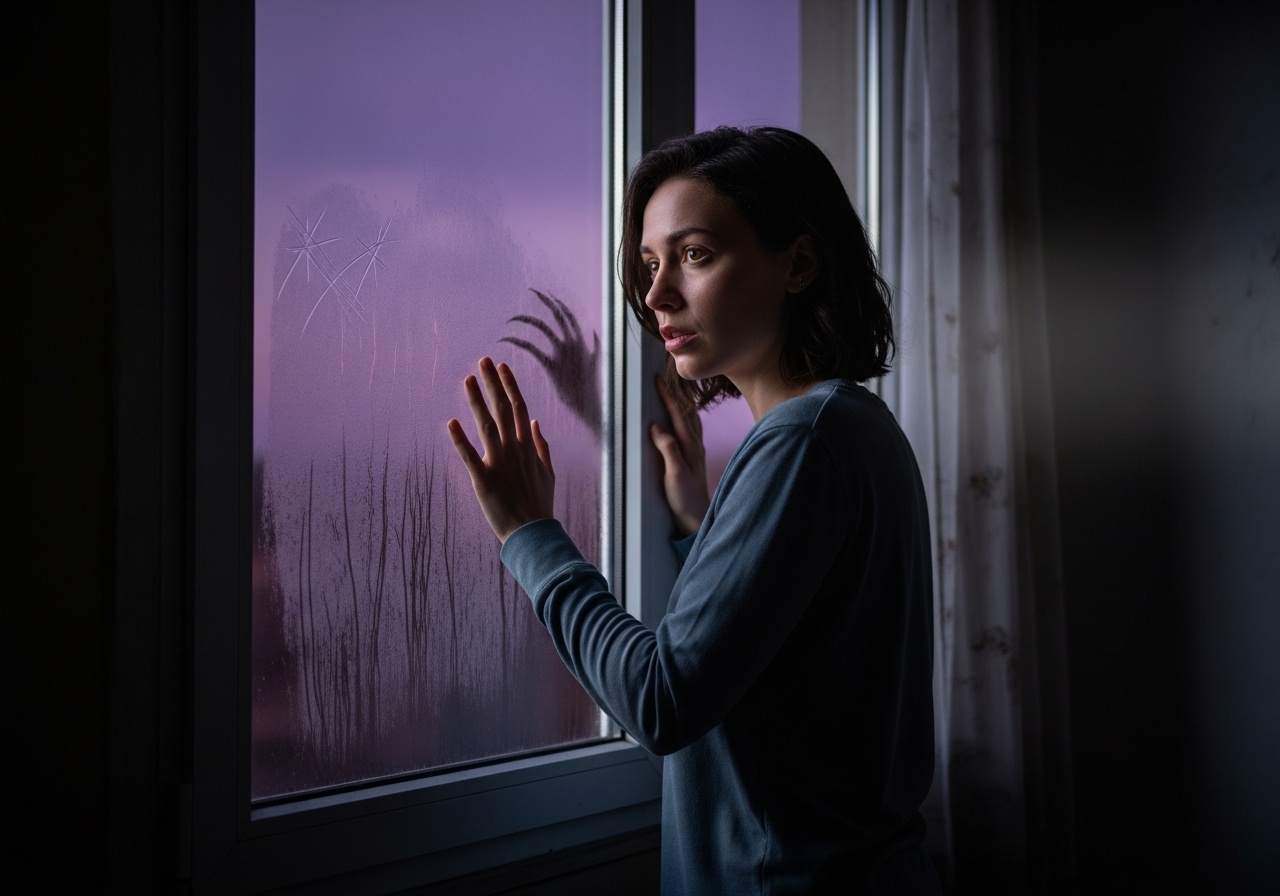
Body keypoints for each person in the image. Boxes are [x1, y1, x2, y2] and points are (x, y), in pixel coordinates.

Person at [447, 127, 940, 895]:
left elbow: (663, 700)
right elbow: (791, 645)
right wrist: (695, 523)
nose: (655, 294)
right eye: (648, 265)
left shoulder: (803, 443)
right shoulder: (849, 426)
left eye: (695, 254)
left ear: (798, 263)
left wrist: (530, 534)